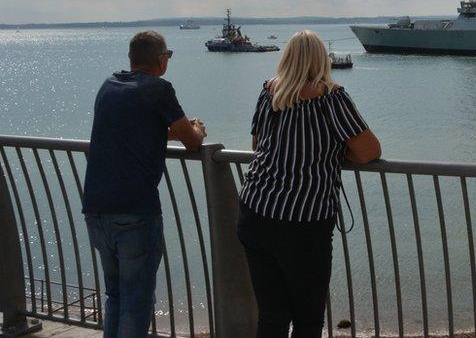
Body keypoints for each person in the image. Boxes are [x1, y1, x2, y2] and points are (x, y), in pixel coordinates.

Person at [237, 30, 381, 338]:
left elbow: (257, 144)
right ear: (321, 60)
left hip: (255, 211)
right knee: (308, 317)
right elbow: (369, 152)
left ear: (287, 58)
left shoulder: (270, 92)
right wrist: (336, 149)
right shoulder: (331, 98)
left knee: (272, 315)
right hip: (304, 222)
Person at [83, 31, 207, 338]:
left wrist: (170, 131)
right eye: (168, 56)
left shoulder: (109, 86)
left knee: (115, 296)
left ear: (131, 59)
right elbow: (192, 142)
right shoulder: (159, 89)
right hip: (135, 211)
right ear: (161, 60)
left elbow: (137, 127)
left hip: (96, 208)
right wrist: (197, 129)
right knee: (136, 302)